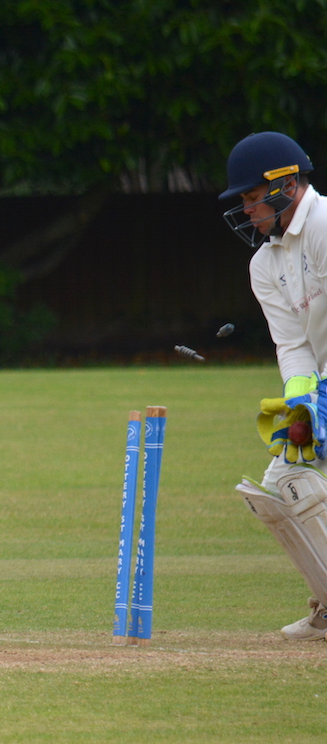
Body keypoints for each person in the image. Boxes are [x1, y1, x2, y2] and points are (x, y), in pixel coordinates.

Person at [223, 131, 327, 640]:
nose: (246, 210)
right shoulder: (264, 263)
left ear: (285, 185)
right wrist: (302, 405)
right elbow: (293, 345)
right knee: (282, 484)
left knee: (297, 481)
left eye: (250, 197)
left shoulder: (325, 225)